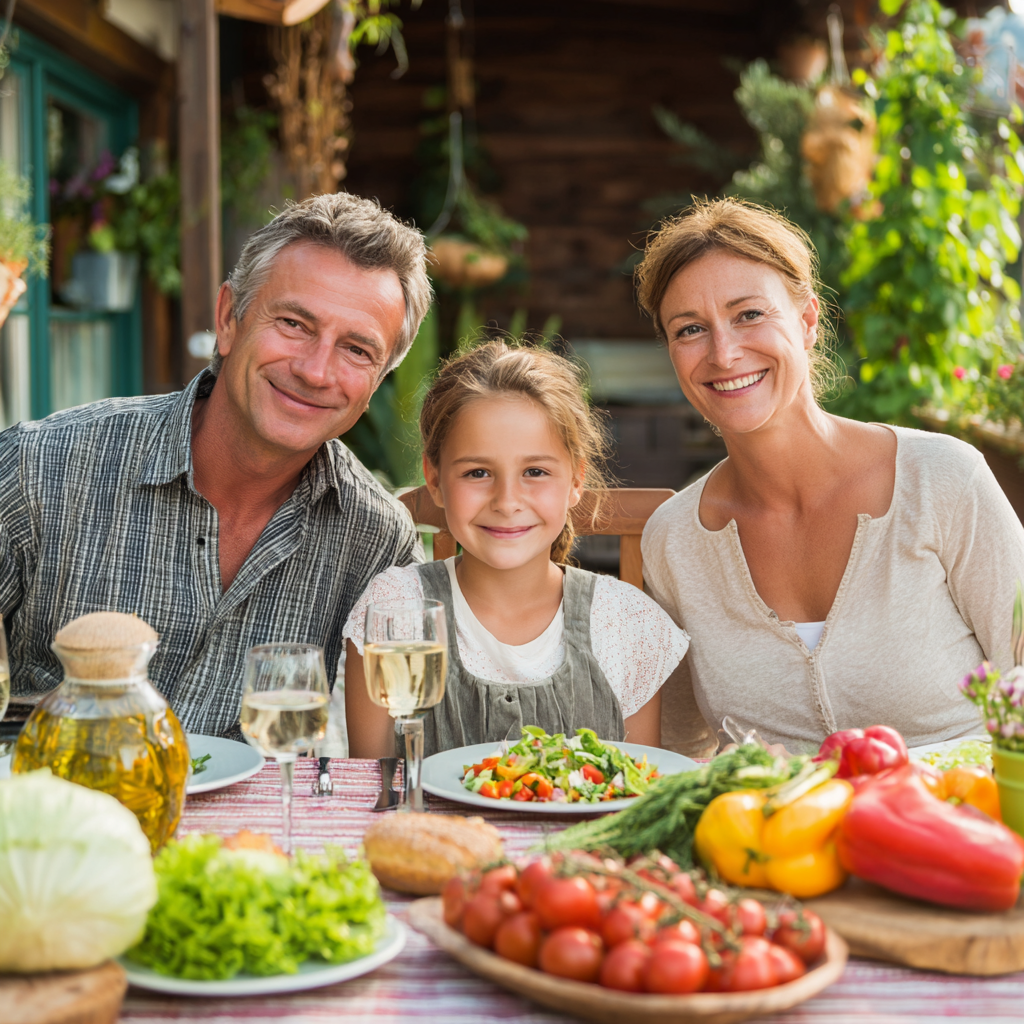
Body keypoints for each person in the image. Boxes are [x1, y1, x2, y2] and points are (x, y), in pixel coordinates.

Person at [0, 192, 431, 737]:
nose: (317, 371)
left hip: (250, 824)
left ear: (377, 381)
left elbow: (403, 747)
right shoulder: (39, 469)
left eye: (357, 350)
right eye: (294, 323)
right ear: (229, 319)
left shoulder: (376, 542)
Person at [637, 197, 1024, 753]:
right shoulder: (675, 540)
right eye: (690, 329)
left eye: (749, 314)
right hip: (771, 837)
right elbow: (676, 754)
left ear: (808, 321)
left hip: (958, 819)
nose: (723, 353)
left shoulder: (942, 481)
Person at [343, 341, 689, 757]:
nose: (507, 501)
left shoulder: (625, 623)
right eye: (477, 472)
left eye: (535, 471)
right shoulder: (394, 609)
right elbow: (368, 787)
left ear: (576, 481)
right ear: (434, 480)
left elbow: (636, 795)